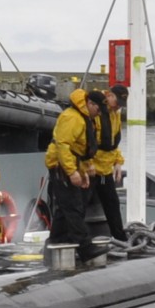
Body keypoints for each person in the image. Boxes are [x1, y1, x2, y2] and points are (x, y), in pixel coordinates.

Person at [45, 88, 105, 260]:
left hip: (71, 163)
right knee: (73, 206)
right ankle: (85, 248)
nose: (99, 114)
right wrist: (71, 172)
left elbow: (81, 149)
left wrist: (84, 169)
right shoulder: (72, 118)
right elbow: (63, 146)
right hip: (61, 165)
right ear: (90, 104)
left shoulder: (84, 119)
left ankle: (56, 239)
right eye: (98, 110)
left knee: (64, 208)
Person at [87, 83, 128, 242]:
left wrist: (118, 162)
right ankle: (72, 240)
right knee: (78, 205)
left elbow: (112, 143)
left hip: (105, 170)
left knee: (112, 203)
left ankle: (120, 238)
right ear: (109, 96)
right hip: (91, 169)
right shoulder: (96, 112)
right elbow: (87, 141)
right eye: (116, 103)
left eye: (121, 105)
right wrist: (88, 163)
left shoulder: (115, 114)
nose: (118, 107)